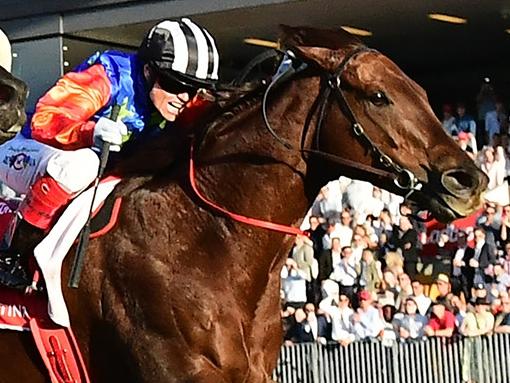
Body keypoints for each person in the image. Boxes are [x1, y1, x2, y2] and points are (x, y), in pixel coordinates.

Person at [0, 18, 221, 287]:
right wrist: (89, 131)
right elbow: (44, 120)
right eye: (175, 84)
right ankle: (11, 254)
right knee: (82, 165)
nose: (184, 98)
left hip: (87, 172)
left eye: (193, 89)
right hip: (26, 150)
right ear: (149, 71)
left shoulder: (182, 102)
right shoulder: (109, 76)